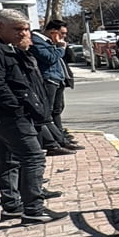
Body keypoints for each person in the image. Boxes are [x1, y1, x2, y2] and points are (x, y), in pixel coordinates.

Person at [0, 9, 69, 224]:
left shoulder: (4, 47)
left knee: (9, 160)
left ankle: (12, 206)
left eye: (26, 29)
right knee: (33, 157)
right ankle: (34, 210)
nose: (23, 33)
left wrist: (23, 50)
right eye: (18, 29)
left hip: (2, 115)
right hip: (7, 116)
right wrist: (17, 109)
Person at [31, 21, 84, 153]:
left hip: (58, 79)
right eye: (62, 33)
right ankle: (56, 142)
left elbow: (67, 58)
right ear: (52, 31)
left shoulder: (51, 43)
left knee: (57, 110)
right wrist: (60, 48)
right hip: (48, 79)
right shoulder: (37, 41)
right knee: (46, 113)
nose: (64, 37)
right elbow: (49, 58)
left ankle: (60, 137)